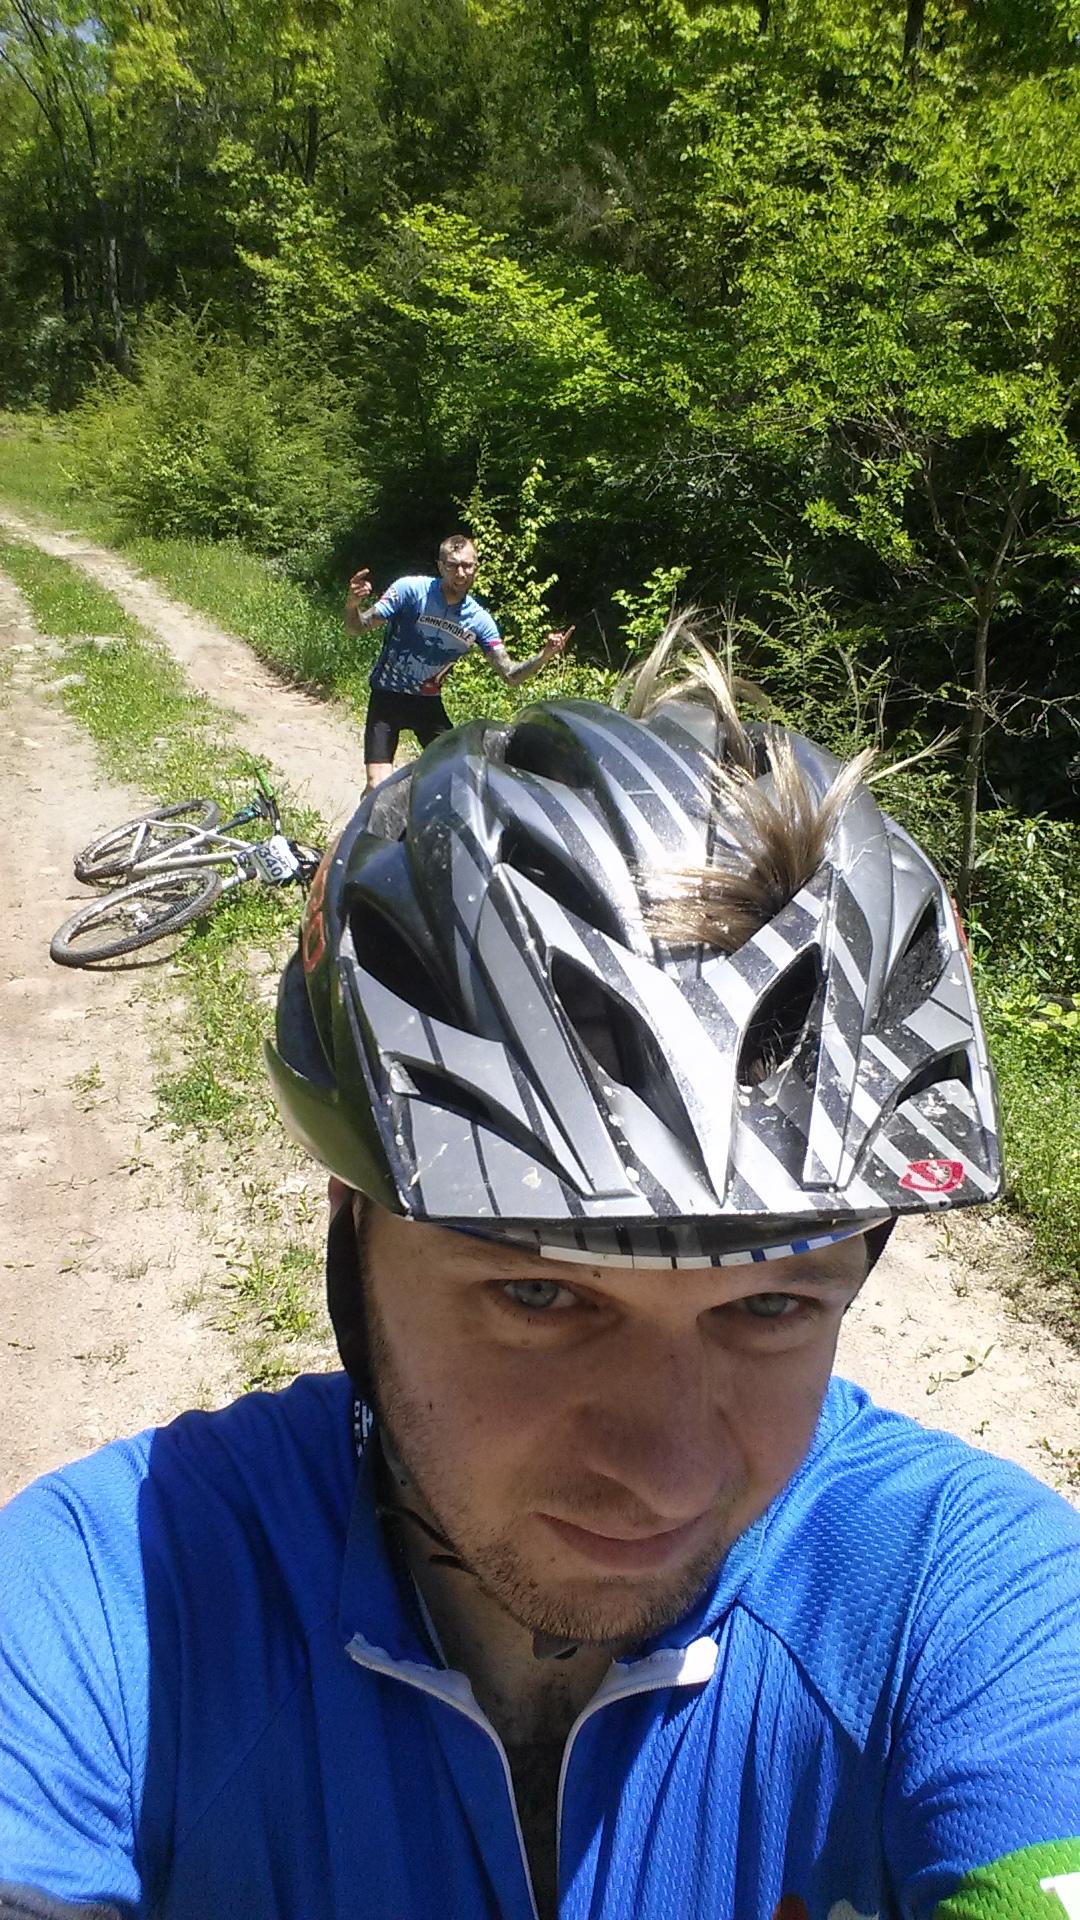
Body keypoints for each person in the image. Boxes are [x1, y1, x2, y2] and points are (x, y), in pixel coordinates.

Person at [2, 632, 1079, 1920]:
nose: (667, 1472)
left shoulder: (971, 1600)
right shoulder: (111, 1594)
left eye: (774, 1305)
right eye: (541, 1297)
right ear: (352, 1224)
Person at [345, 532, 573, 790]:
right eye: (453, 566)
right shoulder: (410, 590)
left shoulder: (479, 620)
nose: (461, 573)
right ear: (441, 566)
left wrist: (544, 656)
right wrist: (353, 603)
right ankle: (363, 828)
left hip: (428, 704)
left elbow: (510, 675)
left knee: (461, 778)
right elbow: (357, 628)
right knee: (378, 786)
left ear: (476, 566)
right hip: (387, 696)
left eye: (467, 565)